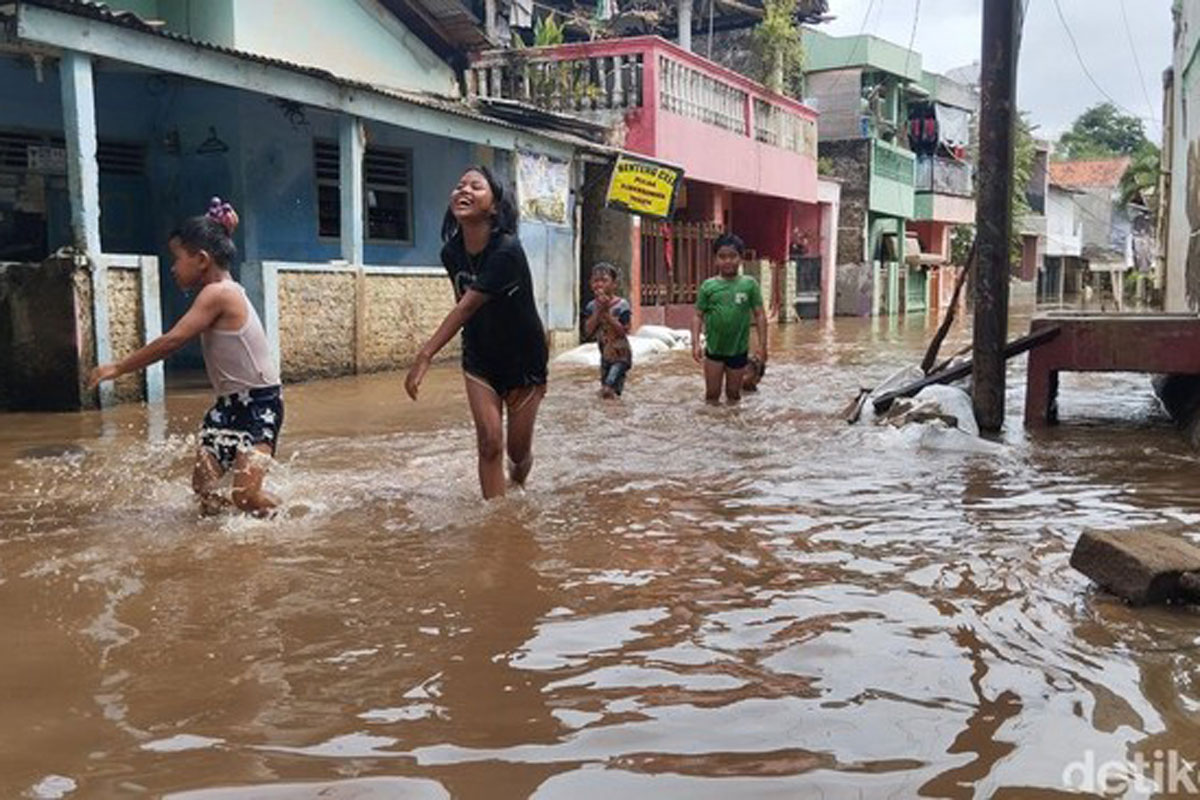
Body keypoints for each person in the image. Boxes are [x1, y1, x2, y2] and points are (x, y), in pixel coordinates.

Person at [88, 197, 282, 516]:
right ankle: (224, 549)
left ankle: (285, 517)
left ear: (203, 259)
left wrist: (117, 367)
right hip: (228, 406)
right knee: (203, 489)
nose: (173, 268)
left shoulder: (219, 293)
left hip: (260, 404)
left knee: (244, 497)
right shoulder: (217, 290)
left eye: (177, 259)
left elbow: (172, 341)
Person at [404, 166, 548, 499]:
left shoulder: (507, 251)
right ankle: (496, 524)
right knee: (489, 443)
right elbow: (465, 307)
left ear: (495, 206)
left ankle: (519, 479)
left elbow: (466, 306)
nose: (463, 190)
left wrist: (425, 354)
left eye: (476, 186)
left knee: (516, 453)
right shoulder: (450, 252)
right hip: (480, 357)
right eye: (459, 186)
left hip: (523, 360)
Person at [691, 233, 767, 404]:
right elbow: (697, 316)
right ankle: (713, 428)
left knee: (734, 396)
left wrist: (763, 346)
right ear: (715, 259)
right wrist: (695, 343)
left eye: (733, 256)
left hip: (738, 352)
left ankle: (732, 428)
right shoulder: (708, 286)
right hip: (714, 351)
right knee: (711, 396)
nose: (727, 261)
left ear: (741, 258)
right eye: (722, 257)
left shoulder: (749, 285)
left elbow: (760, 315)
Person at [582, 262, 633, 399]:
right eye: (595, 281)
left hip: (621, 356)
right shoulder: (591, 306)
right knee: (611, 394)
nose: (599, 285)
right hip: (605, 356)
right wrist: (599, 311)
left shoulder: (622, 305)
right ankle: (614, 417)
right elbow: (588, 331)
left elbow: (624, 331)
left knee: (607, 389)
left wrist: (607, 315)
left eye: (604, 280)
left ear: (614, 284)